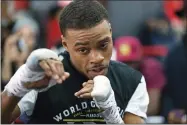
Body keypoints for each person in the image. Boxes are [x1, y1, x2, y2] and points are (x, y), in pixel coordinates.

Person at [1, 0, 149, 124]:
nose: (97, 58)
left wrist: (110, 111)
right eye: (83, 50)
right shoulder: (45, 76)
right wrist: (18, 84)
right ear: (65, 45)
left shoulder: (132, 80)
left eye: (103, 45)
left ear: (110, 32)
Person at [114, 36, 166, 117]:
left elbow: (152, 108)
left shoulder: (151, 68)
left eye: (131, 62)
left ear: (140, 58)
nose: (128, 67)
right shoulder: (113, 70)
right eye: (124, 62)